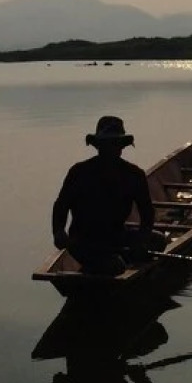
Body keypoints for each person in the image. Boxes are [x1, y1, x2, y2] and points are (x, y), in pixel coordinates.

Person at [51, 115, 157, 275]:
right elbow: (61, 206)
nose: (112, 149)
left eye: (115, 144)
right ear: (99, 146)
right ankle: (110, 261)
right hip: (84, 240)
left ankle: (119, 257)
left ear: (122, 146)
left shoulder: (134, 174)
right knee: (114, 266)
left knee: (158, 241)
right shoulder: (79, 172)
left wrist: (143, 238)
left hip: (117, 235)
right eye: (107, 144)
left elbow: (147, 212)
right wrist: (59, 232)